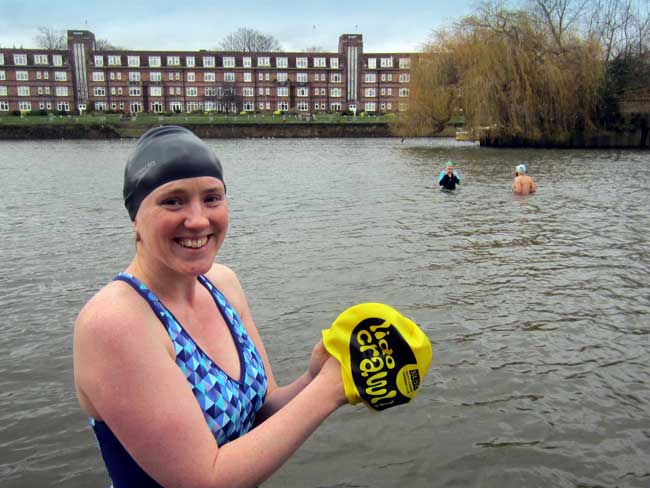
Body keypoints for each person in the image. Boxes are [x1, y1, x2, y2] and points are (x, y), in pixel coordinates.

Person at [73, 125, 347, 488]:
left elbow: (260, 414)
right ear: (135, 218)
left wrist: (314, 378)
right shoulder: (115, 322)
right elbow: (205, 478)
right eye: (173, 200)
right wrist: (331, 390)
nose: (199, 219)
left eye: (212, 198)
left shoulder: (222, 283)